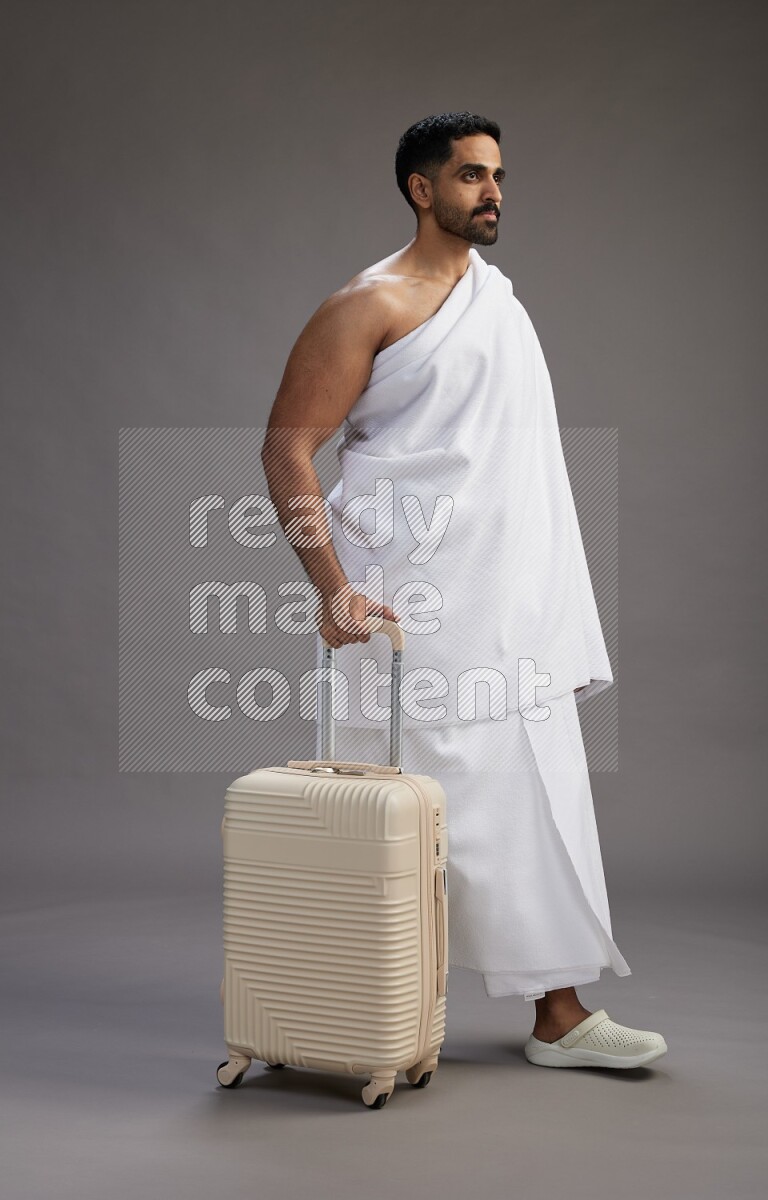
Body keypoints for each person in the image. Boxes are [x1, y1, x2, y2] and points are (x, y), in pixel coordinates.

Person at [261, 112, 667, 1070]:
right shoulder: (367, 305)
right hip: (410, 605)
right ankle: (353, 1012)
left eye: (497, 177)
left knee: (534, 798)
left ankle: (560, 1017)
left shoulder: (497, 300)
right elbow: (286, 447)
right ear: (420, 187)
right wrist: (332, 591)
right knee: (399, 810)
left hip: (512, 603)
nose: (493, 192)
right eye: (473, 176)